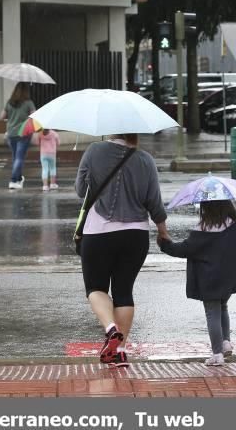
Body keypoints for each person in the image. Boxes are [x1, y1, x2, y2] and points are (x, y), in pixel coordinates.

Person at [75, 133, 170, 368]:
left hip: (98, 231)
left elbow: (80, 190)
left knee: (96, 287)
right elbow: (154, 201)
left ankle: (111, 329)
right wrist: (163, 231)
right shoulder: (145, 160)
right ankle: (119, 351)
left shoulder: (94, 151)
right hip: (135, 234)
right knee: (124, 291)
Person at [157, 199, 236, 366]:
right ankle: (226, 342)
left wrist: (165, 244)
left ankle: (217, 354)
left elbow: (184, 249)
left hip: (208, 279)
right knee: (223, 307)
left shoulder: (203, 228)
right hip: (230, 276)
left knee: (212, 312)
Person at [2, 82, 36, 189]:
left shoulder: (10, 102)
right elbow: (34, 115)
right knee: (19, 157)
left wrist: (11, 115)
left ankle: (18, 179)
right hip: (23, 133)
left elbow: (2, 116)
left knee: (16, 157)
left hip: (11, 133)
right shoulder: (28, 103)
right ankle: (13, 180)